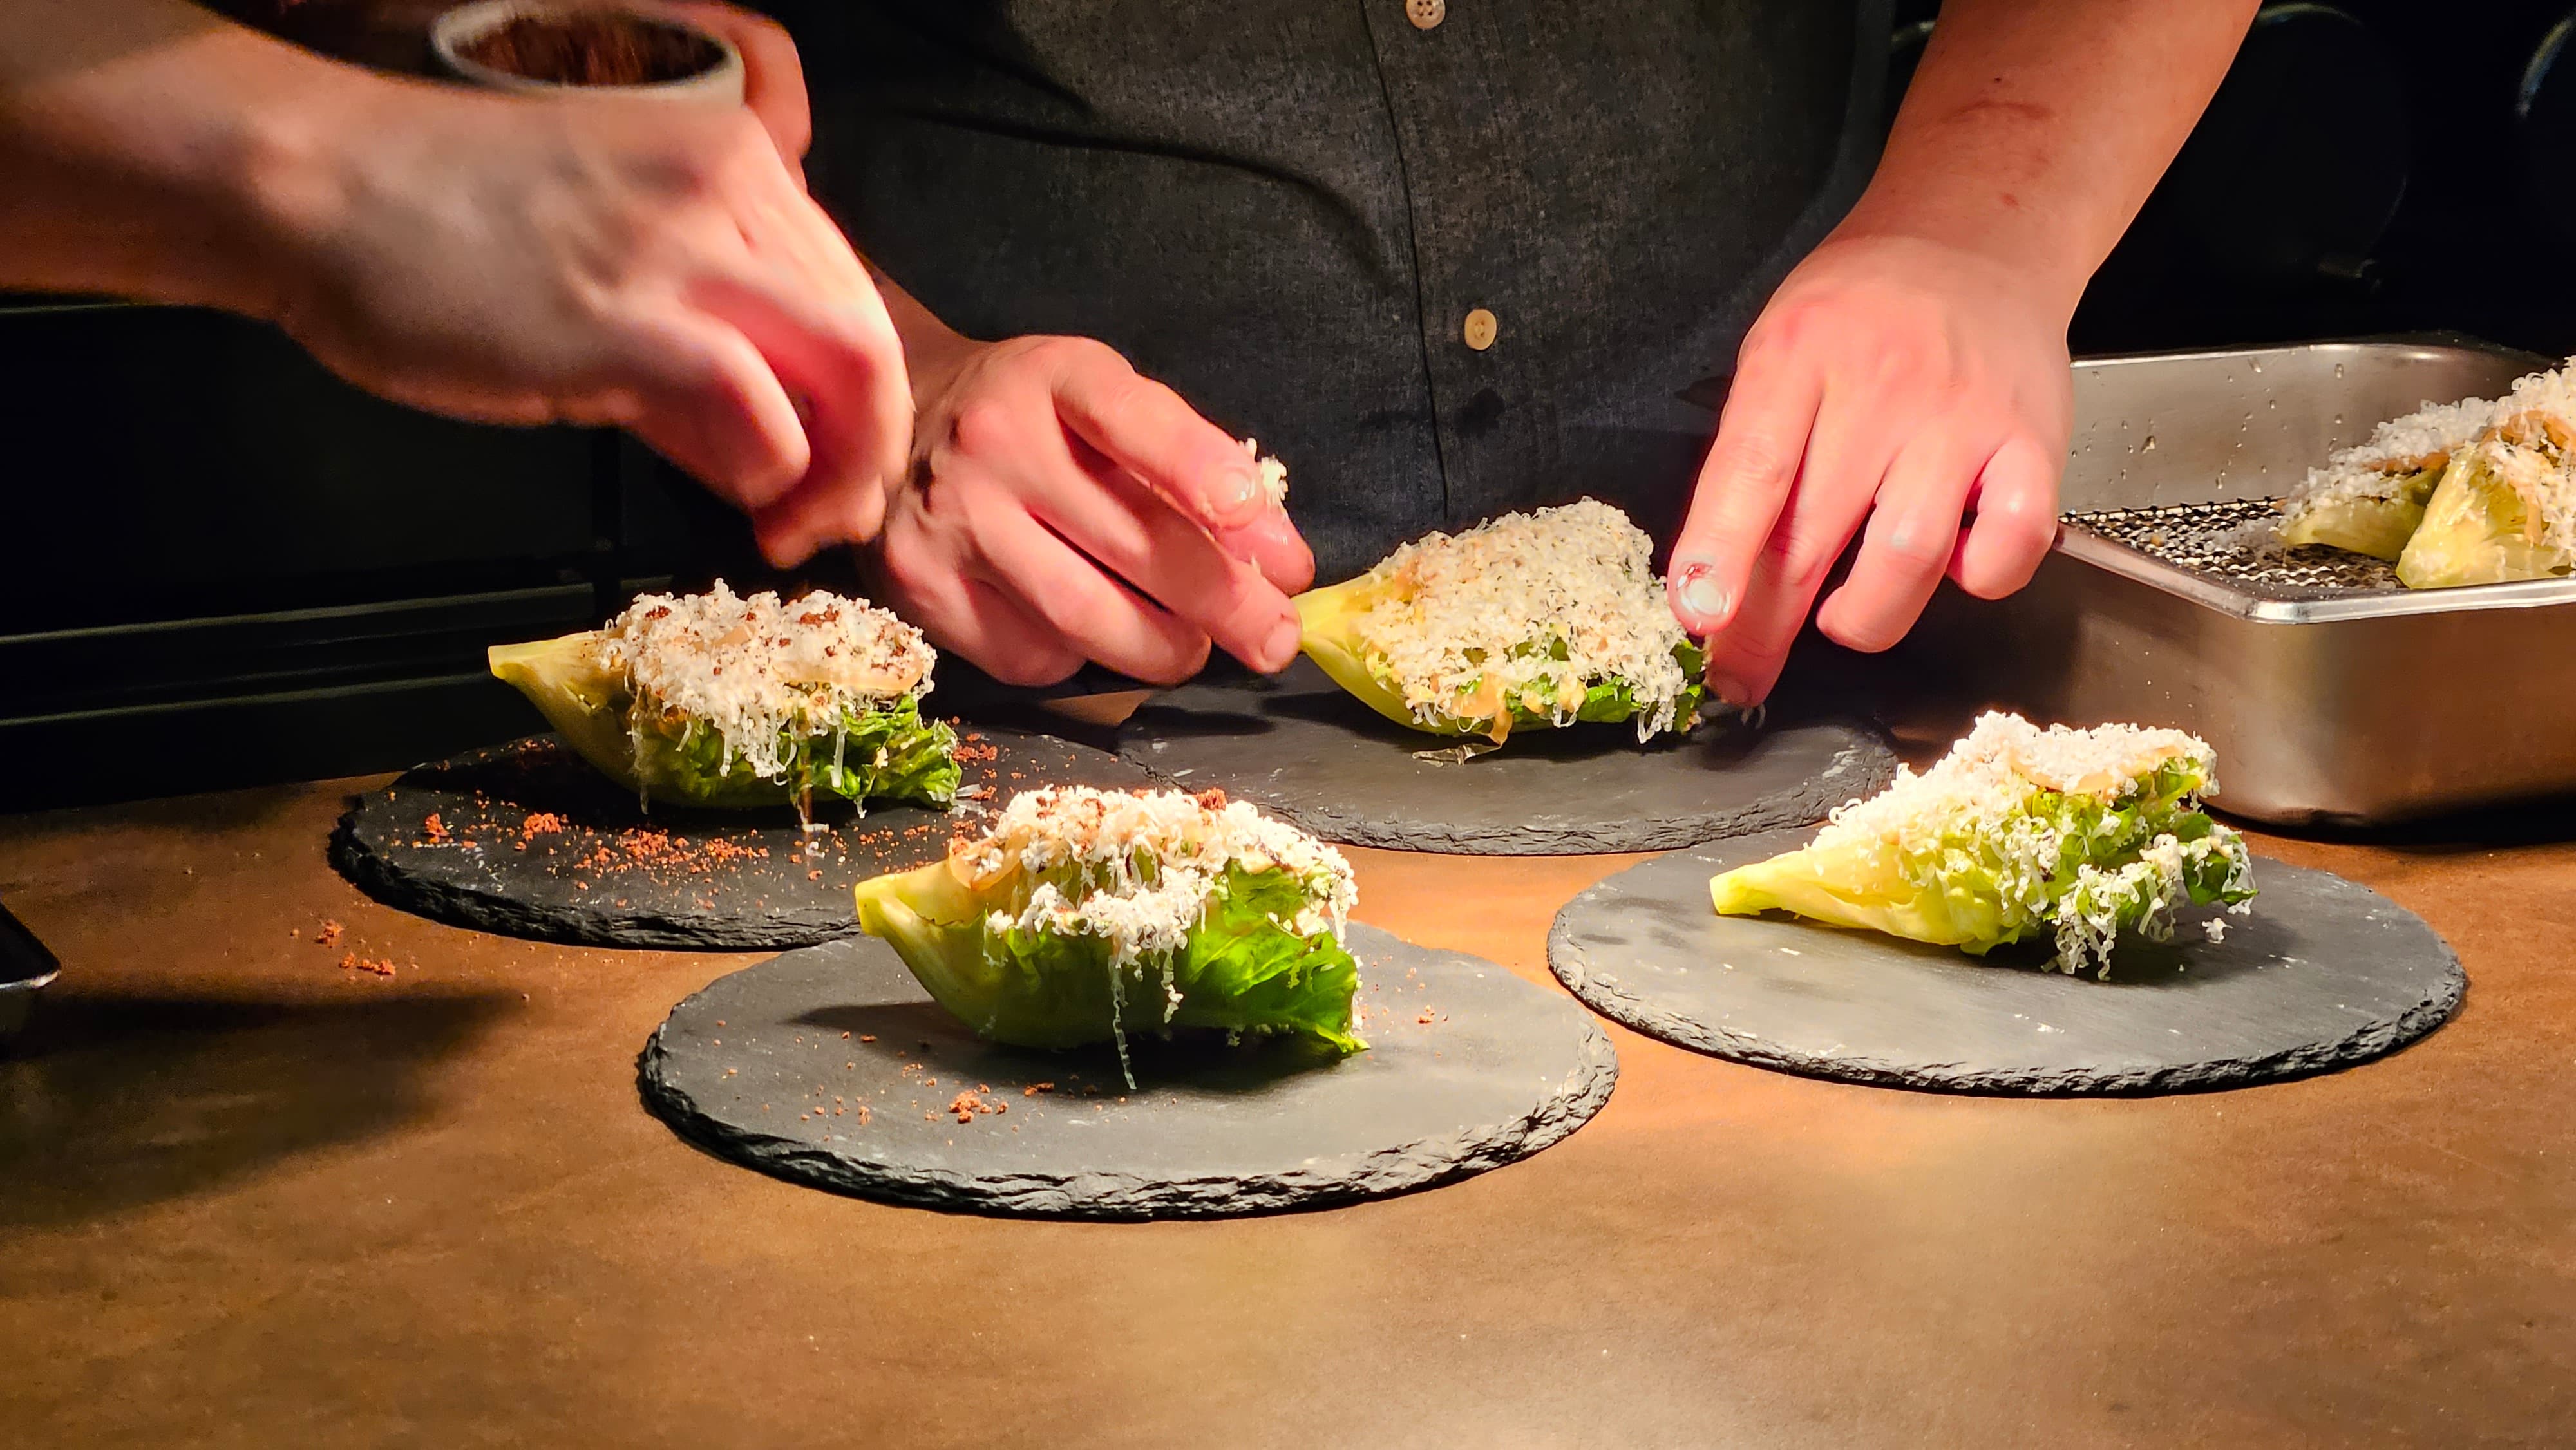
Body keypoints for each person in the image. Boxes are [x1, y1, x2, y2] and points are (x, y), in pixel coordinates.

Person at [1, 0, 2259, 707]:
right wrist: (884, 374)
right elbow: (552, 60)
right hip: (1021, 693)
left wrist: (1979, 223)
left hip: (1832, 657)